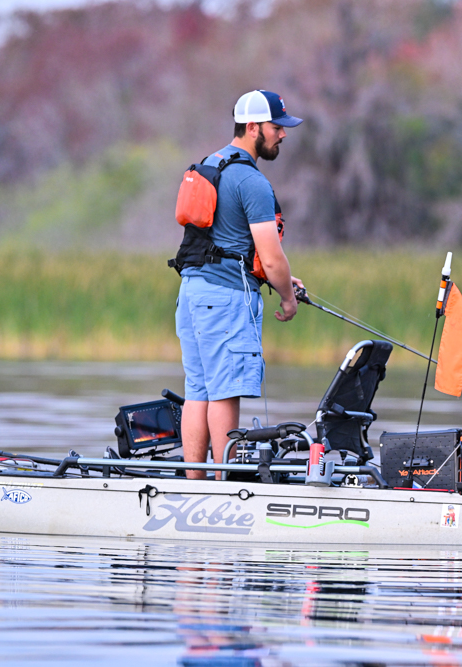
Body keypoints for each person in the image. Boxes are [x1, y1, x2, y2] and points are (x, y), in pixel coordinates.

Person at [175, 90, 303, 480]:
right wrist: (288, 298)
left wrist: (281, 279)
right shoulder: (251, 180)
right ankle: (222, 486)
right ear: (253, 128)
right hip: (226, 299)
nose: (283, 134)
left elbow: (229, 243)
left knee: (198, 391)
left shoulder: (210, 164)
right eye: (276, 127)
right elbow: (271, 257)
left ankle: (195, 485)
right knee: (224, 391)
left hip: (192, 293)